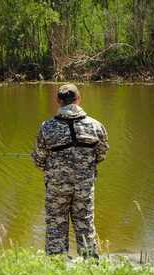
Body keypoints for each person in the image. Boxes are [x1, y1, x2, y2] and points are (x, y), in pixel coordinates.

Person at [31, 84, 109, 258]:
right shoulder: (96, 126)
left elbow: (38, 159)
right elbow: (101, 155)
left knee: (56, 227)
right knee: (85, 225)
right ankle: (91, 267)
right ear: (79, 99)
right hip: (84, 186)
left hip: (57, 188)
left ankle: (56, 267)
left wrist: (53, 169)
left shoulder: (46, 127)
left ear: (58, 101)